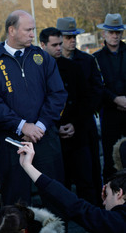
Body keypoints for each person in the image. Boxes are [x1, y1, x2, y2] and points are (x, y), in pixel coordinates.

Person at [0, 10, 67, 206]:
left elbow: (58, 94)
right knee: (17, 204)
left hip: (45, 140)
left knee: (55, 199)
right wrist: (22, 126)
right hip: (12, 144)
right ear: (12, 30)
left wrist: (40, 127)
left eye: (33, 30)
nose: (32, 35)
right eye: (28, 30)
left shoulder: (43, 58)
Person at [18, 141, 126, 233]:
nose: (103, 202)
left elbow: (74, 205)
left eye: (107, 194)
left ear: (119, 193)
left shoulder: (118, 222)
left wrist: (28, 166)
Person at [40, 27, 98, 205]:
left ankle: (91, 223)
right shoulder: (37, 72)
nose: (59, 48)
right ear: (43, 45)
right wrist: (56, 127)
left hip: (77, 133)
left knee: (85, 180)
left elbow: (85, 99)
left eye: (60, 44)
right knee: (58, 183)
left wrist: (74, 124)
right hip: (51, 136)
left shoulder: (73, 68)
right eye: (54, 45)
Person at [57, 17, 104, 196]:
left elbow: (96, 91)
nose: (71, 40)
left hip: (84, 124)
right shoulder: (52, 64)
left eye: (73, 36)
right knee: (65, 177)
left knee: (91, 171)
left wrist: (80, 119)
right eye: (67, 37)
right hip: (61, 126)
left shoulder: (87, 60)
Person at [93, 13, 126, 182]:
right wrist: (115, 99)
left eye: (118, 32)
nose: (115, 36)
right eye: (111, 32)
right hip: (110, 114)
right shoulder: (96, 58)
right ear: (104, 33)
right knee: (110, 158)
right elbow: (97, 86)